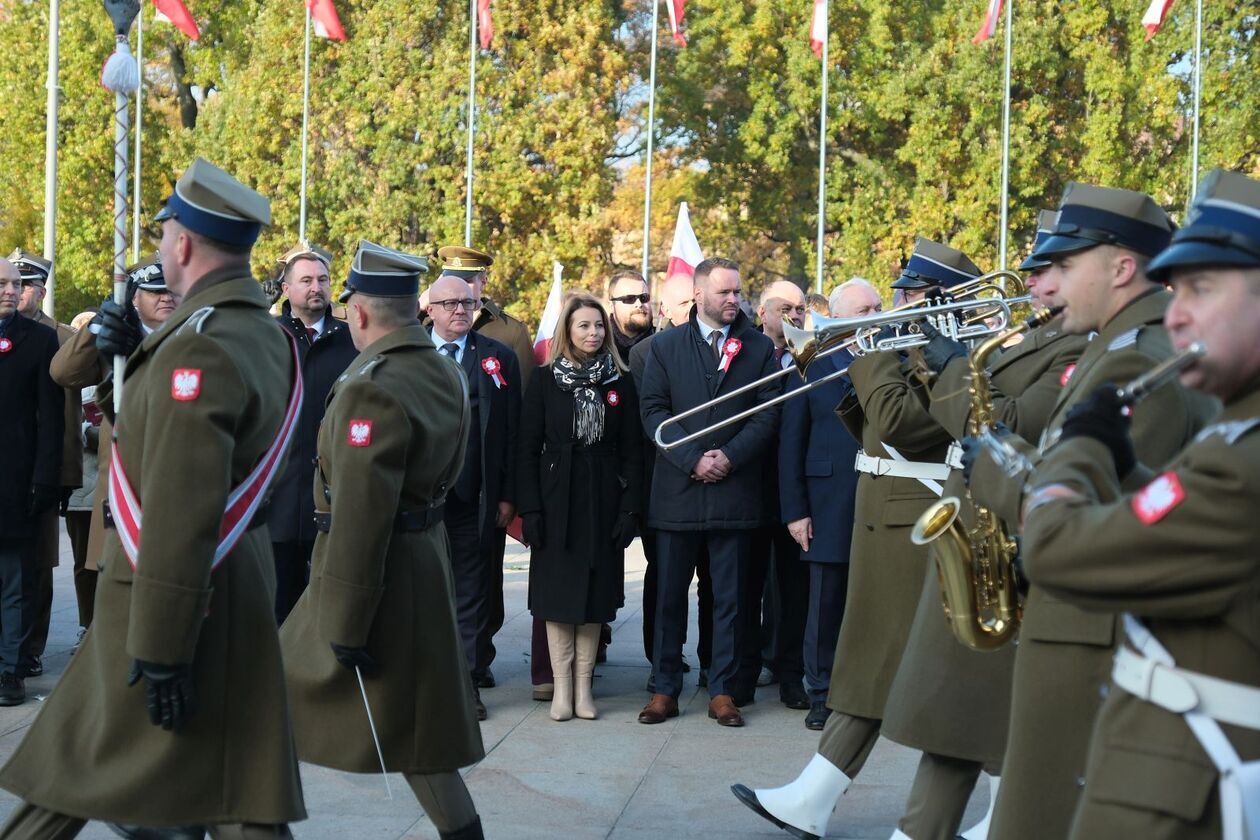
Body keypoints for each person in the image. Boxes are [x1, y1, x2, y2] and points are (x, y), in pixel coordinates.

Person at [0, 157, 306, 837]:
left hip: (168, 591)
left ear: (187, 245)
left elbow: (180, 500)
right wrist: (121, 367)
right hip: (230, 579)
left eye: (166, 234)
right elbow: (165, 440)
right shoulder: (257, 331)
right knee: (233, 793)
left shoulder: (201, 347)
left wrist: (163, 643)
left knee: (81, 773)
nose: (162, 245)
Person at [964, 182, 1219, 840]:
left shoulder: (1133, 358)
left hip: (1089, 637)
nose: (1047, 287)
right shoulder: (1126, 345)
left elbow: (1116, 527)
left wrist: (995, 466)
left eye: (1065, 267)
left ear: (1122, 267)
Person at [1018, 168, 1260, 840]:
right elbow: (1179, 508)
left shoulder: (1244, 460)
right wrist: (1129, 469)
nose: (1175, 313)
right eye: (1174, 290)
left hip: (1181, 792)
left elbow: (1055, 547)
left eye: (1201, 290)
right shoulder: (1240, 436)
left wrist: (1077, 451)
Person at [731, 237, 977, 837]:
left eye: (910, 293)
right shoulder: (911, 349)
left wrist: (866, 350)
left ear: (940, 299)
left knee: (960, 679)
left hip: (918, 518)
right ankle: (813, 796)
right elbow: (864, 422)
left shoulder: (956, 356)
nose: (897, 302)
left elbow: (901, 427)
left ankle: (1005, 810)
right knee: (869, 666)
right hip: (883, 515)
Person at [859, 216, 1089, 840]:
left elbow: (1005, 422)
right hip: (983, 534)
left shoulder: (1077, 346)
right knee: (956, 728)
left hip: (1016, 537)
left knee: (981, 724)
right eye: (1036, 269)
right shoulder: (1027, 334)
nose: (1035, 283)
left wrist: (949, 364)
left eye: (1050, 271)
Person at [281, 240, 485, 840]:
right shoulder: (440, 369)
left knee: (257, 704)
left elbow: (361, 512)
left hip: (369, 572)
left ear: (361, 312)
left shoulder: (371, 385)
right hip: (419, 561)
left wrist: (344, 620)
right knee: (416, 731)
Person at [639, 257, 778, 727]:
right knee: (669, 598)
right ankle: (664, 689)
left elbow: (767, 414)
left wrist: (729, 458)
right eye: (724, 293)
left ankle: (722, 690)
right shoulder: (664, 346)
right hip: (677, 493)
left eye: (737, 292)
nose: (734, 300)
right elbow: (653, 411)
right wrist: (693, 458)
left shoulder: (758, 348)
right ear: (698, 294)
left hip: (734, 494)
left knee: (730, 599)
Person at [517, 294, 642, 721]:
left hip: (602, 500)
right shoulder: (545, 379)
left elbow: (632, 452)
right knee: (557, 597)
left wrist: (629, 509)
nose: (593, 333)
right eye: (583, 326)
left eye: (598, 326)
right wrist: (530, 510)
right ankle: (562, 689)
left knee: (594, 597)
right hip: (556, 499)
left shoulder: (620, 383)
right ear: (567, 332)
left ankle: (584, 689)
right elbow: (526, 449)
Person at [49, 256, 179, 638]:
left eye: (170, 290)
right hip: (121, 479)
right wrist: (98, 329)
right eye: (155, 291)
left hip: (171, 474)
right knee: (116, 587)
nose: (166, 298)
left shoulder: (191, 334)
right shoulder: (114, 340)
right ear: (134, 298)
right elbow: (64, 372)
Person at [778, 278, 880, 731]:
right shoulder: (812, 363)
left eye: (878, 306)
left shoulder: (895, 357)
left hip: (881, 498)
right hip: (826, 500)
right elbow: (791, 443)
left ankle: (865, 690)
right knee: (825, 603)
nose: (876, 314)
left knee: (874, 601)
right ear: (837, 318)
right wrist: (795, 510)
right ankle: (820, 692)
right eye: (865, 310)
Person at [437, 244, 533, 689]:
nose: (461, 310)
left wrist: (509, 495)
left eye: (468, 303)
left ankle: (467, 680)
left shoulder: (498, 355)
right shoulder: (411, 351)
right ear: (431, 308)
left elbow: (515, 433)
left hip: (478, 496)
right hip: (423, 498)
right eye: (451, 304)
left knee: (475, 590)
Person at [629, 272, 714, 692]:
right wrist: (691, 459)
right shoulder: (647, 353)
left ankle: (713, 664)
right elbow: (651, 418)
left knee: (714, 583)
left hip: (716, 485)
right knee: (665, 581)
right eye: (683, 305)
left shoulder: (721, 348)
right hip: (662, 484)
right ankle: (661, 662)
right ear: (665, 310)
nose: (692, 312)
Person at [269, 241, 357, 623]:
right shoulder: (267, 336)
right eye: (306, 280)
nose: (316, 287)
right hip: (278, 495)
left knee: (327, 606)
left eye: (322, 279)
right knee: (276, 605)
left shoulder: (352, 339)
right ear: (286, 288)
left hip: (334, 493)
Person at [10, 249, 81, 680]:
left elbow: (70, 415)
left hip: (44, 465)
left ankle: (32, 645)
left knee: (38, 561)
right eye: (13, 284)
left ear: (40, 290)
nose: (17, 294)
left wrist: (63, 474)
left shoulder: (63, 336)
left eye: (26, 285)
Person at [741, 280, 810, 710]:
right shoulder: (745, 352)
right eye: (786, 307)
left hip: (797, 489)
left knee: (793, 587)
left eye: (801, 307)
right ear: (763, 312)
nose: (795, 315)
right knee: (746, 585)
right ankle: (745, 672)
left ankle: (791, 674)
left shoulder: (813, 354)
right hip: (749, 484)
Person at [0, 258, 63, 707]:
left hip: (16, 482)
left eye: (16, 283)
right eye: (3, 283)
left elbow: (50, 419)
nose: (10, 290)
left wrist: (45, 478)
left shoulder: (40, 340)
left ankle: (10, 670)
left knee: (15, 583)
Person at [606, 269, 655, 358]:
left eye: (644, 297)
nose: (639, 304)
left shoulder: (665, 343)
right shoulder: (598, 345)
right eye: (629, 299)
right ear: (611, 305)